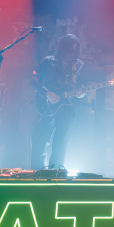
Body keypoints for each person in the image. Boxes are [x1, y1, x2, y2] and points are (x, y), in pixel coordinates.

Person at [30, 34, 84, 170]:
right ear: (62, 48)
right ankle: (38, 173)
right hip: (46, 106)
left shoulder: (79, 66)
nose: (70, 54)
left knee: (61, 143)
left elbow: (83, 87)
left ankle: (55, 174)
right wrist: (46, 93)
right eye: (68, 50)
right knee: (40, 141)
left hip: (68, 108)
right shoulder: (48, 61)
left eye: (74, 51)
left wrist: (82, 93)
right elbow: (33, 79)